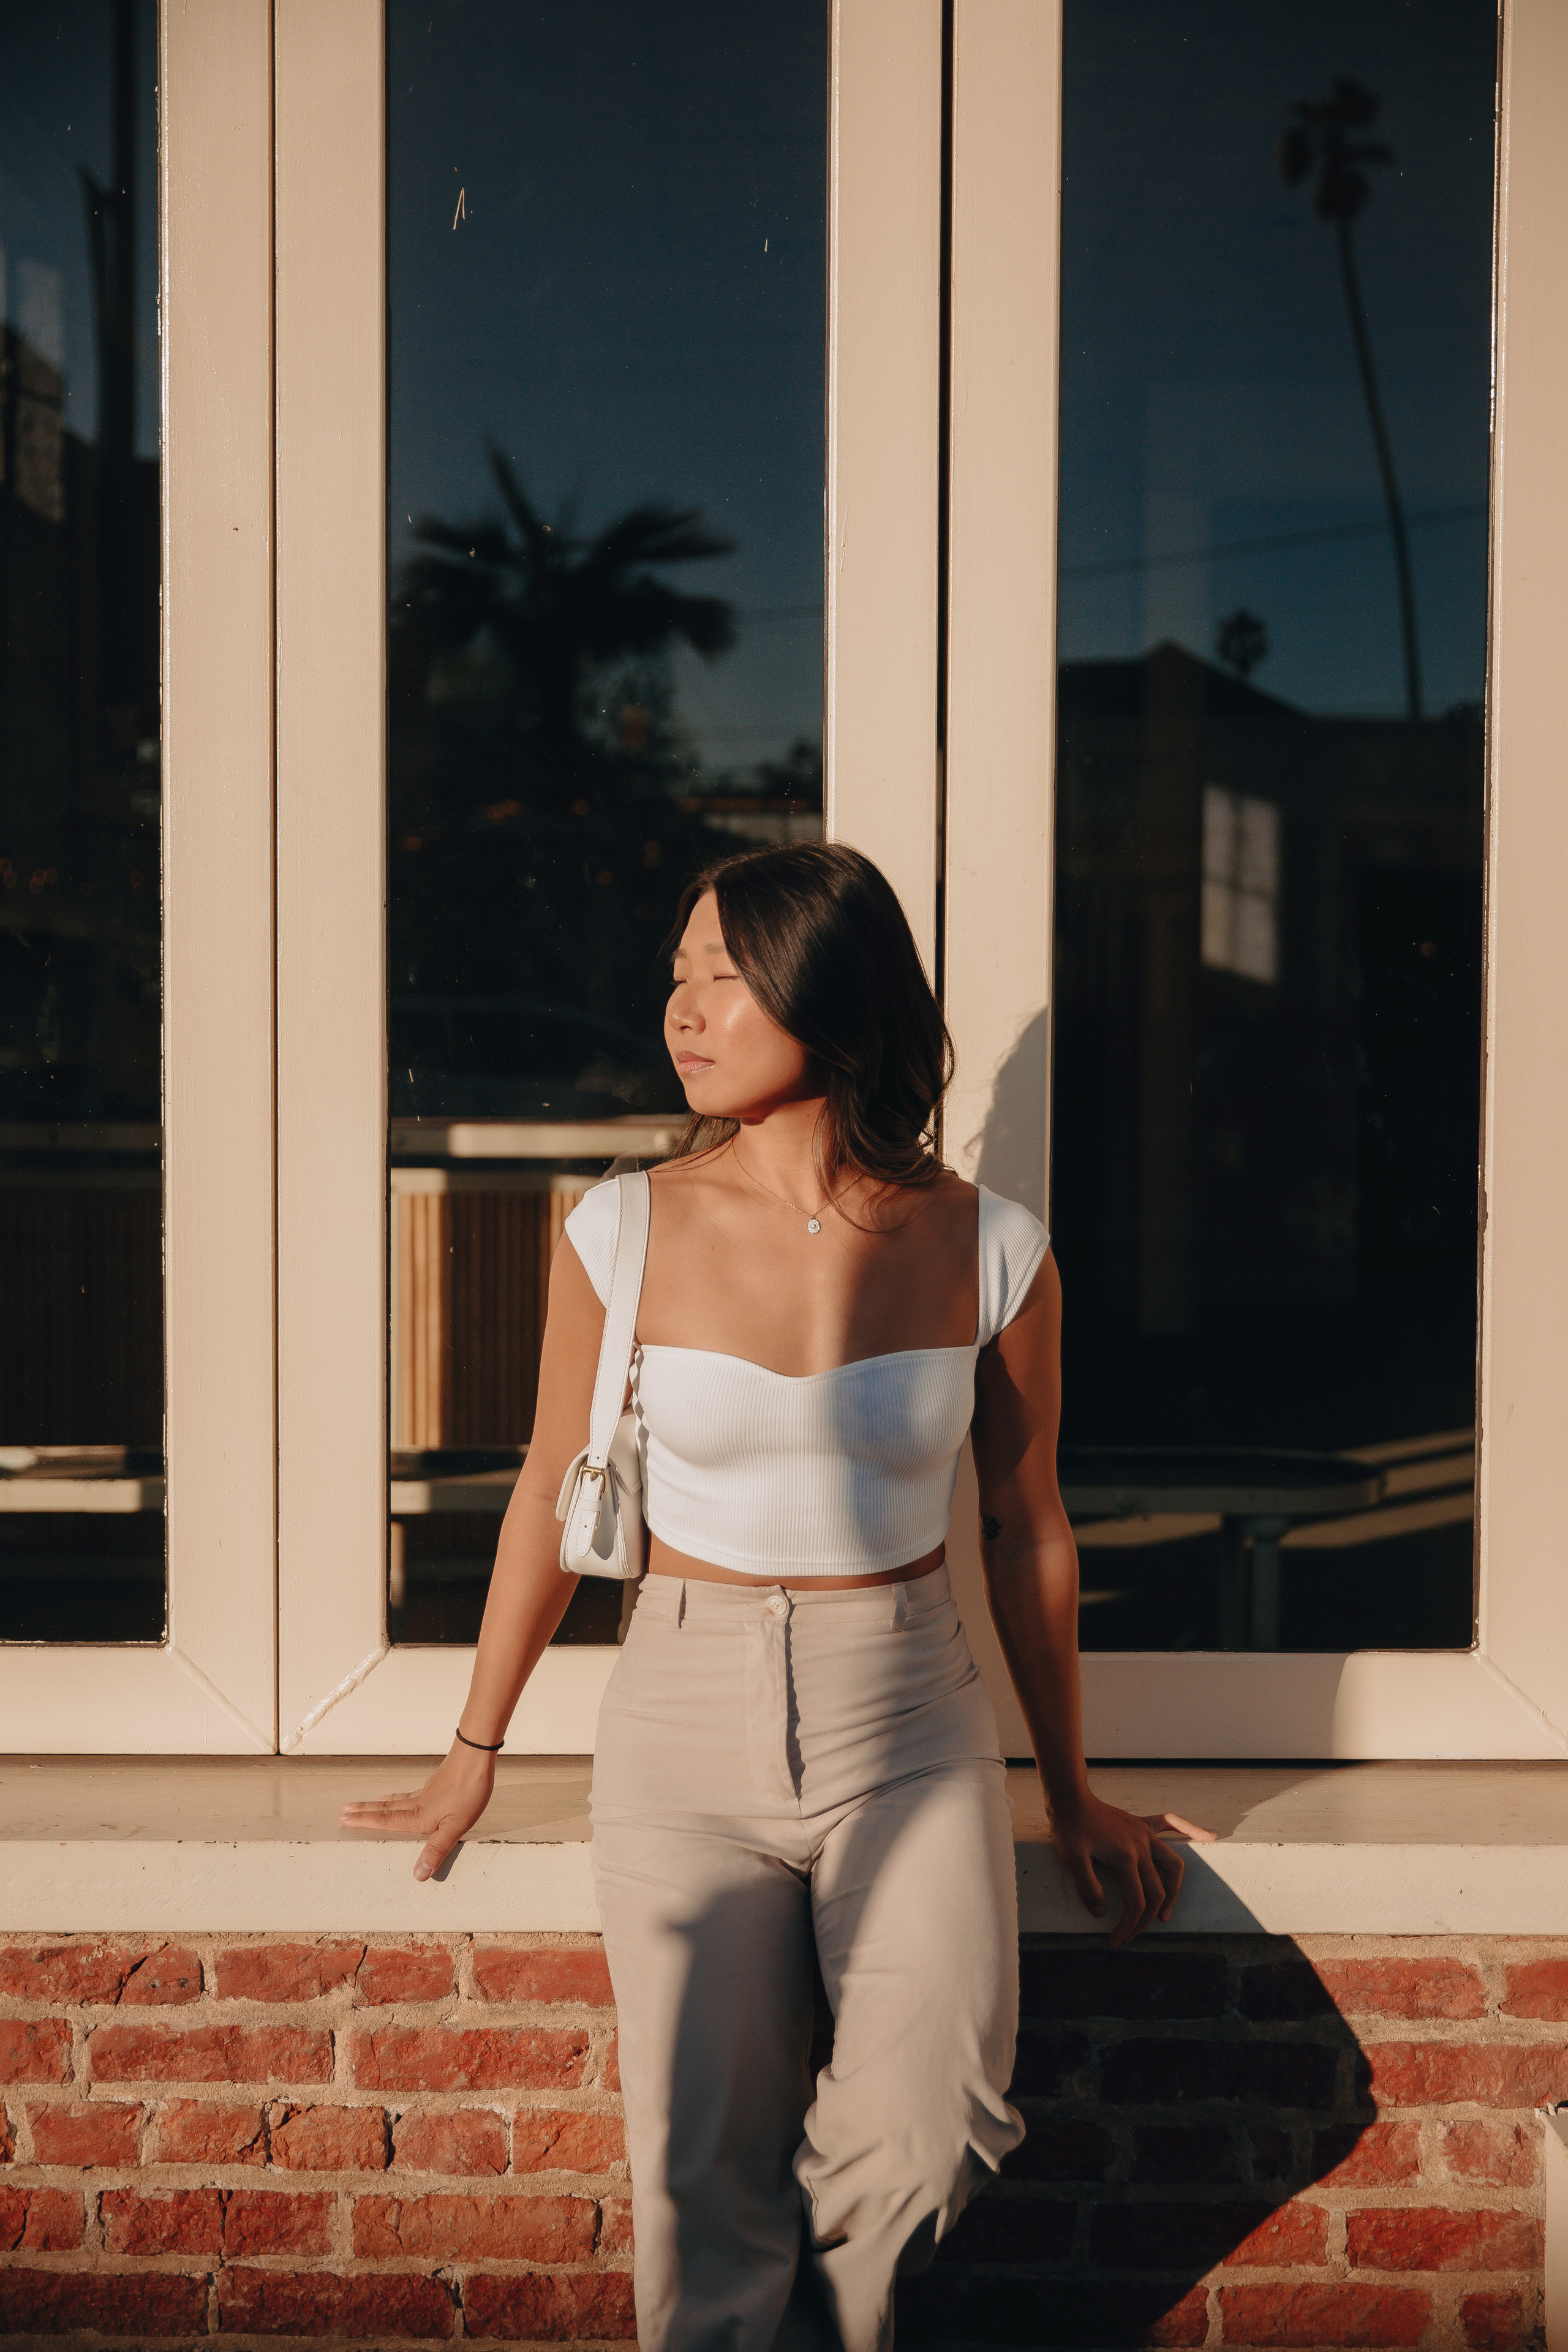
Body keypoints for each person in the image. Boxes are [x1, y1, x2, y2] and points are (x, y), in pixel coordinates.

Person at [343, 842, 1209, 2352]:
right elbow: (548, 1494)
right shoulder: (619, 1230)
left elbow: (1025, 1527)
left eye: (724, 977)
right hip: (681, 1716)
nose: (680, 1010)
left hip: (912, 1713)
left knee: (932, 2120)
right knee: (702, 2175)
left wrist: (1069, 1791)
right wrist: (473, 1748)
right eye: (676, 976)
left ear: (832, 994)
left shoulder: (992, 1247)